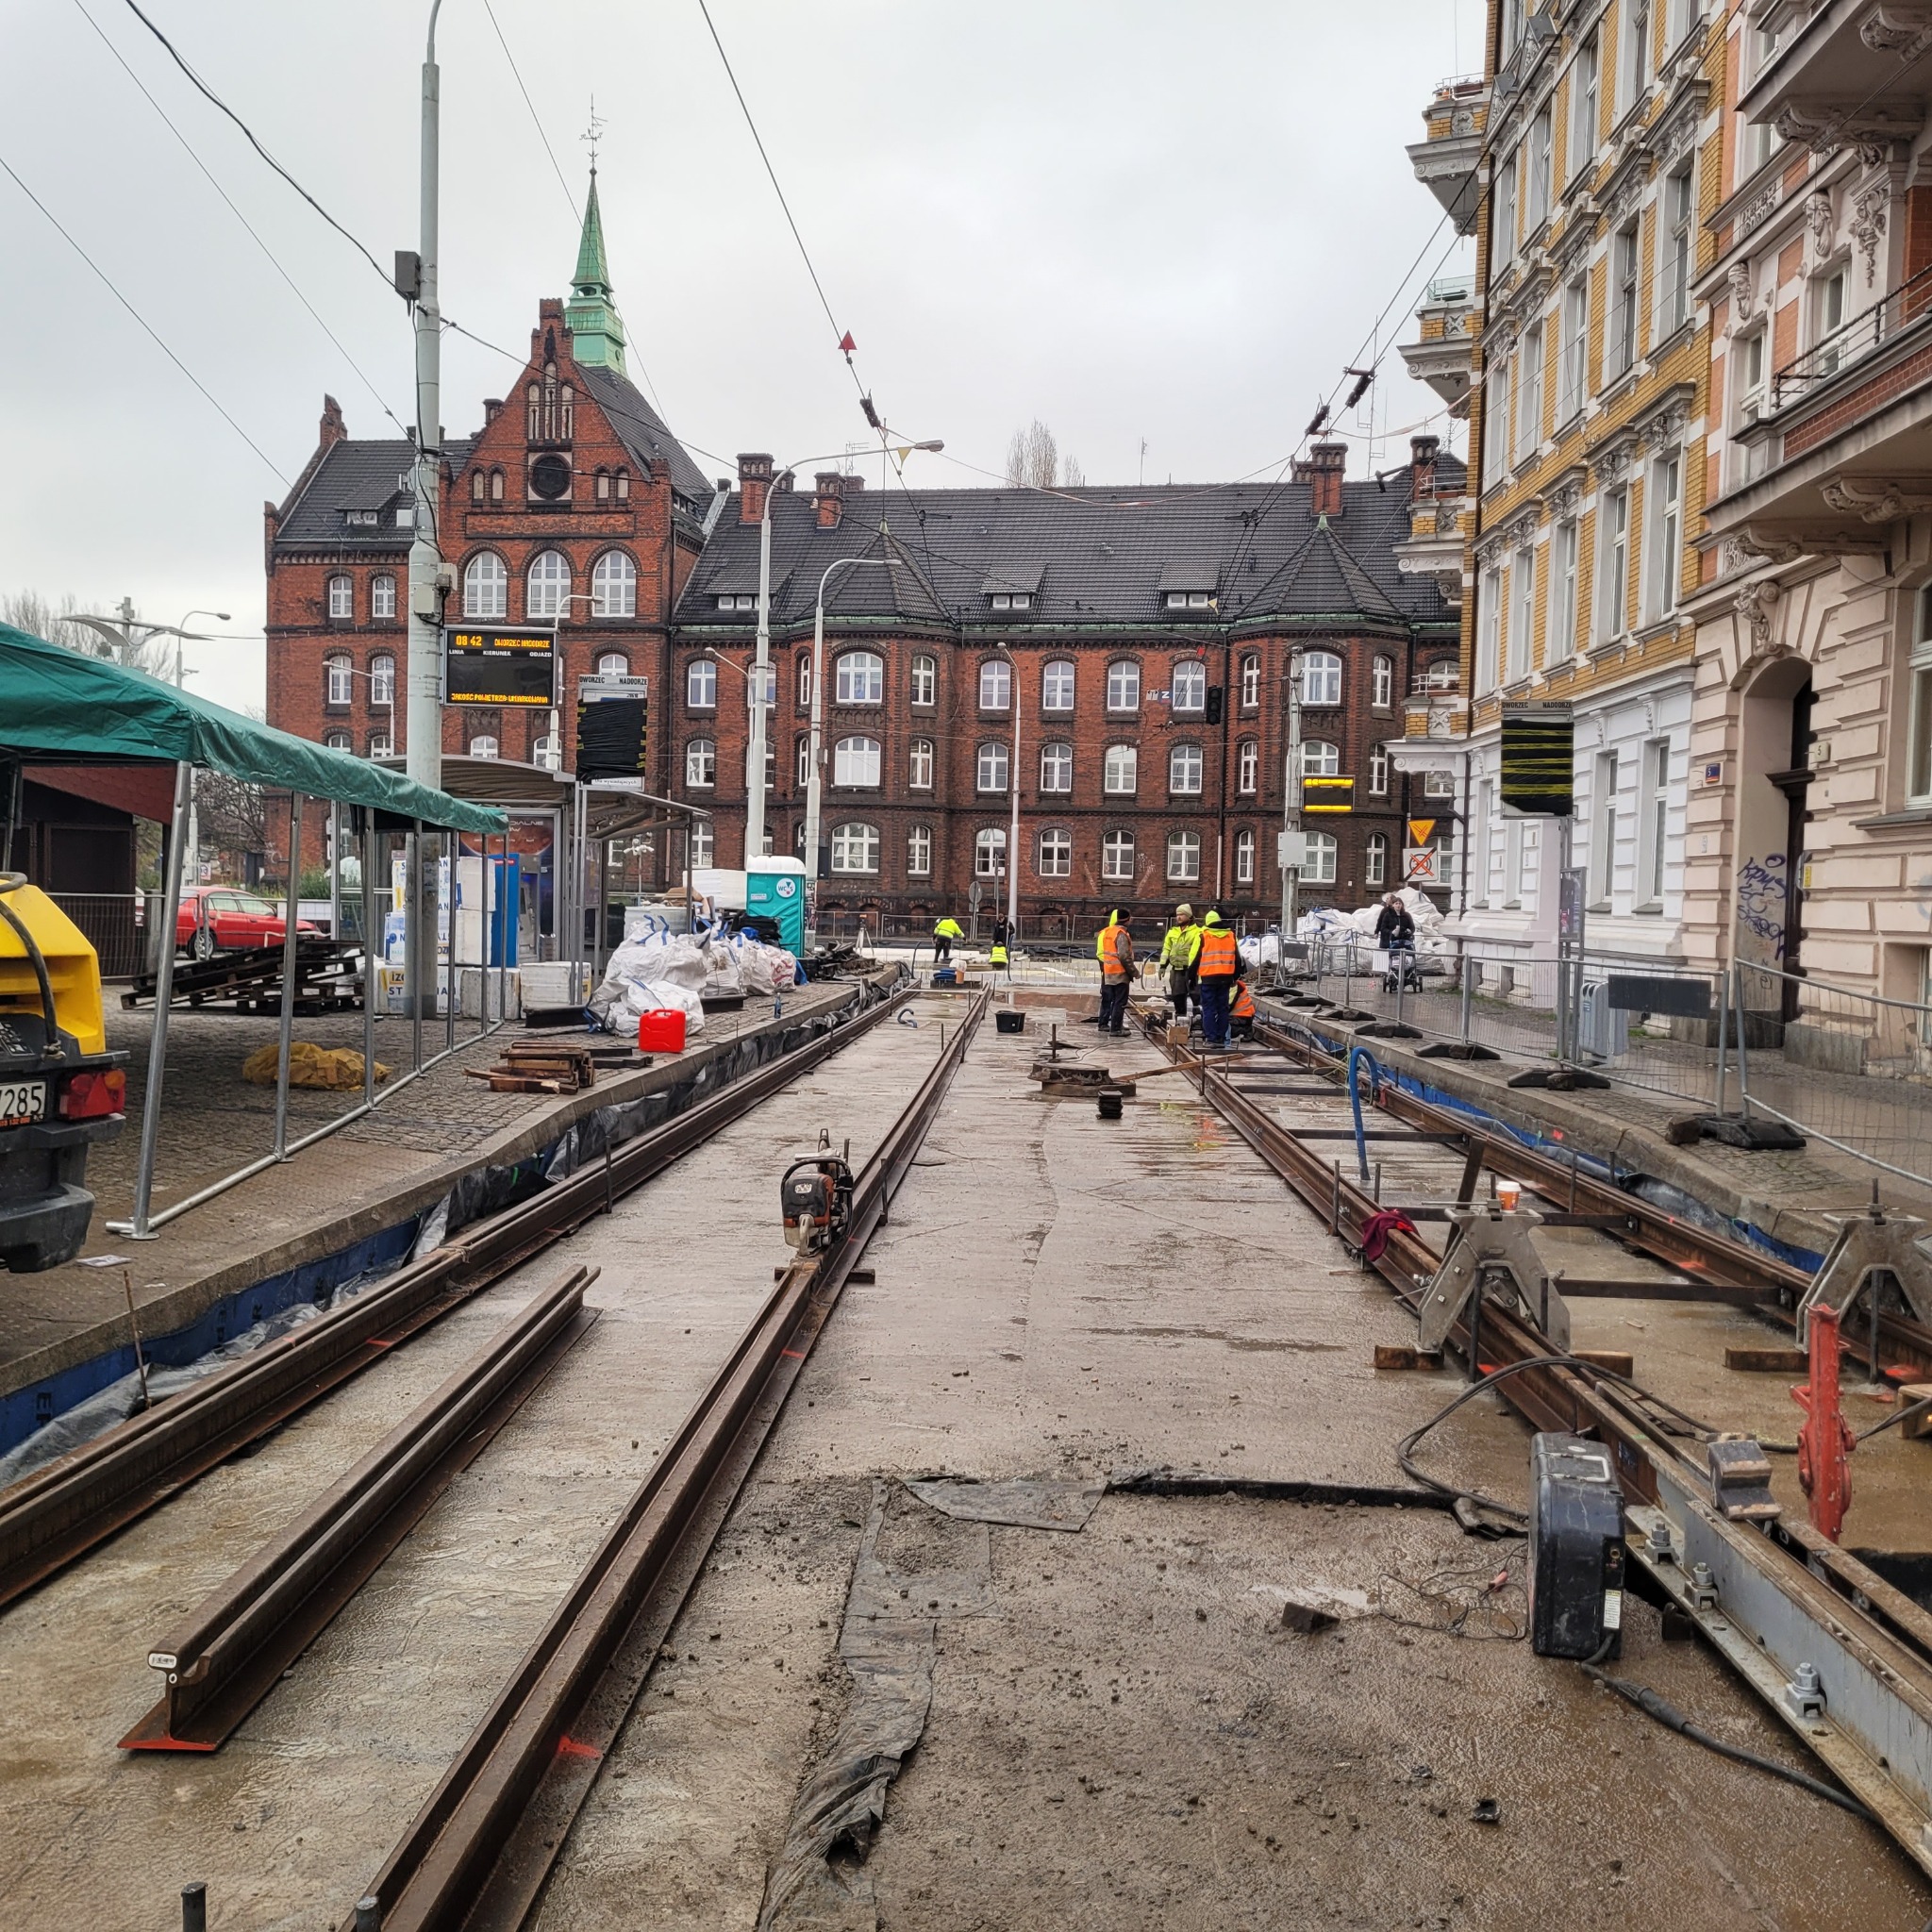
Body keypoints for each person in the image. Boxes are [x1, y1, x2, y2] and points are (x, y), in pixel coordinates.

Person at [1194, 909, 1241, 1048]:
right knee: (1223, 1008)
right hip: (1226, 978)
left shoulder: (1203, 936)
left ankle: (1211, 1038)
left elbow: (1195, 959)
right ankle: (1220, 1038)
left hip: (1208, 977)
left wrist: (1191, 977)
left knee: (1208, 1008)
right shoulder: (1231, 935)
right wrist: (1235, 977)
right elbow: (1238, 959)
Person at [1158, 902, 1202, 1020]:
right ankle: (1180, 1020)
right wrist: (1163, 966)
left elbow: (1197, 952)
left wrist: (1194, 970)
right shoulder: (1173, 932)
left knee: (1196, 996)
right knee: (1178, 996)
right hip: (1177, 971)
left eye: (1182, 914)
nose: (1179, 917)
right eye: (1177, 915)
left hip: (1192, 970)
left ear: (1189, 916)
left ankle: (1198, 1020)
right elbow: (1166, 949)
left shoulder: (1198, 932)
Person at [1095, 908, 1135, 1036]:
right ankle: (1116, 1028)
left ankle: (1105, 1023)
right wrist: (1133, 971)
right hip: (1119, 972)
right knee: (1119, 1001)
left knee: (1108, 998)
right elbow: (1123, 955)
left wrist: (1105, 966)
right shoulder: (1120, 934)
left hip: (1107, 970)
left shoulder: (1106, 932)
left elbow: (1103, 953)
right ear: (1127, 920)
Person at [1374, 892, 1418, 991]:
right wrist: (1391, 932)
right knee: (1394, 960)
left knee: (1408, 958)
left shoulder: (1406, 916)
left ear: (1402, 905)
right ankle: (1393, 978)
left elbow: (1412, 927)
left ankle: (1408, 975)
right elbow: (1383, 928)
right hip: (1393, 941)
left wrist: (1409, 931)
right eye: (1396, 903)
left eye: (1400, 903)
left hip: (1405, 940)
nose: (1398, 905)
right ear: (1393, 905)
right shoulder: (1388, 915)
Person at [1228, 977, 1257, 1042]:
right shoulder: (1230, 984)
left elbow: (1229, 1005)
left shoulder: (1235, 986)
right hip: (1238, 1014)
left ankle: (1246, 1030)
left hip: (1243, 1015)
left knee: (1222, 1027)